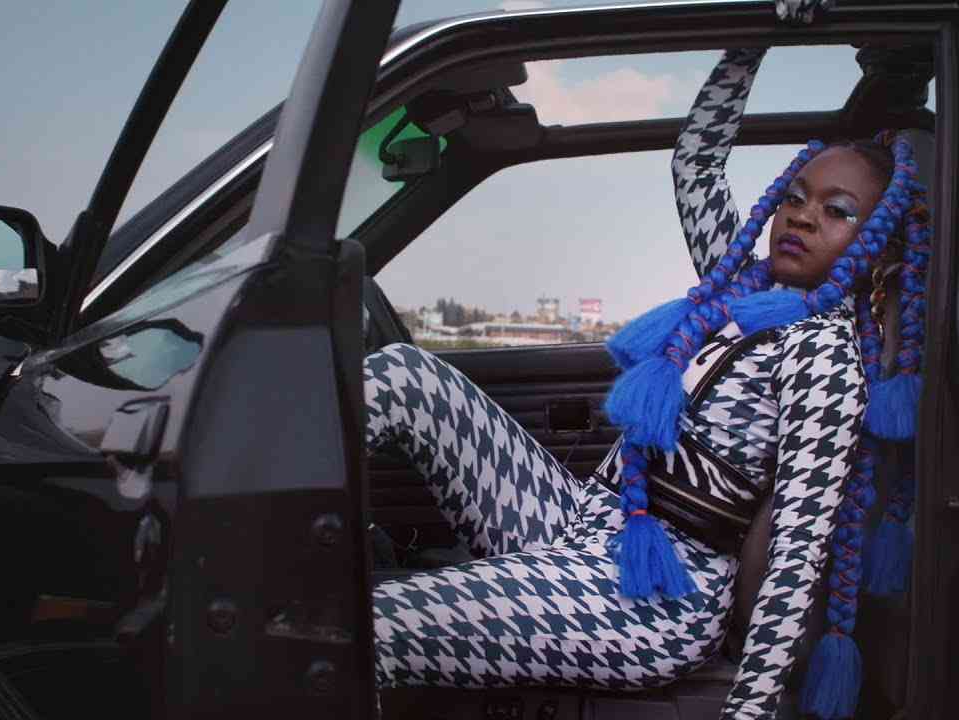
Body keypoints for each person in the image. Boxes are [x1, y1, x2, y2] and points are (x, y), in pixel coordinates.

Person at [363, 5, 930, 719]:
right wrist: (755, 36)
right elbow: (696, 162)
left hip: (658, 596)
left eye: (838, 210)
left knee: (366, 624)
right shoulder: (739, 287)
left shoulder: (826, 357)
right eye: (794, 196)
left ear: (876, 240)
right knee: (406, 375)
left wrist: (751, 710)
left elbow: (795, 555)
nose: (803, 215)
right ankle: (251, 492)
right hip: (588, 519)